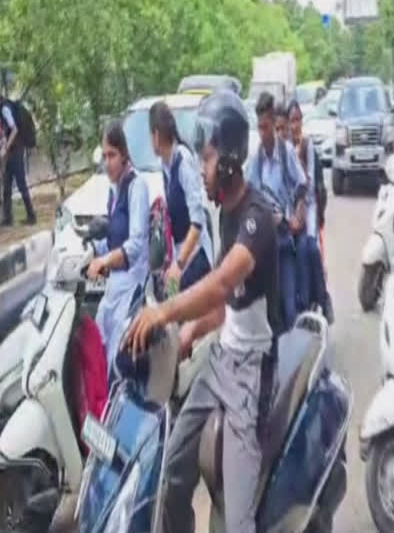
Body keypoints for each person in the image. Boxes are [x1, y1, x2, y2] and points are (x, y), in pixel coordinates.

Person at [124, 90, 283, 533]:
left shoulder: (256, 218)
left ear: (231, 160)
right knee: (172, 469)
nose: (201, 168)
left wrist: (165, 314)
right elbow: (227, 308)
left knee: (237, 521)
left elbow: (220, 285)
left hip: (252, 378)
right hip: (220, 364)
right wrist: (192, 332)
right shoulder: (226, 214)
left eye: (208, 158)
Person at [86, 122, 152, 367]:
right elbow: (114, 238)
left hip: (132, 285)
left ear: (124, 154)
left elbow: (134, 246)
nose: (107, 162)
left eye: (112, 155)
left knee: (117, 358)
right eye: (104, 156)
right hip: (115, 286)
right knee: (97, 343)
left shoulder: (137, 187)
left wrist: (104, 260)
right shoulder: (114, 191)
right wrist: (93, 251)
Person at [245, 92, 308, 328]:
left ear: (273, 124)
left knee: (290, 310)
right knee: (268, 312)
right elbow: (249, 196)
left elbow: (302, 185)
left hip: (284, 240)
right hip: (265, 245)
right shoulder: (256, 161)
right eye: (259, 128)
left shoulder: (286, 153)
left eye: (266, 126)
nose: (263, 133)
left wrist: (297, 217)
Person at [150, 102, 213, 294]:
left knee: (178, 302)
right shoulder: (165, 166)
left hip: (195, 255)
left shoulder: (183, 161)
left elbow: (198, 221)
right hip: (179, 254)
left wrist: (178, 264)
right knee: (169, 299)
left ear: (157, 136)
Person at [286, 99, 332, 321]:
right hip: (290, 209)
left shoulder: (307, 146)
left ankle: (322, 298)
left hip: (309, 205)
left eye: (297, 120)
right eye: (290, 121)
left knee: (309, 249)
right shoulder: (282, 149)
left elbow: (311, 183)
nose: (294, 126)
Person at [0, 92, 35, 225]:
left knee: (21, 184)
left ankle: (31, 216)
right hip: (11, 151)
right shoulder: (4, 107)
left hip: (16, 151)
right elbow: (6, 131)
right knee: (7, 184)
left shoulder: (5, 108)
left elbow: (14, 129)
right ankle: (8, 218)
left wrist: (6, 147)